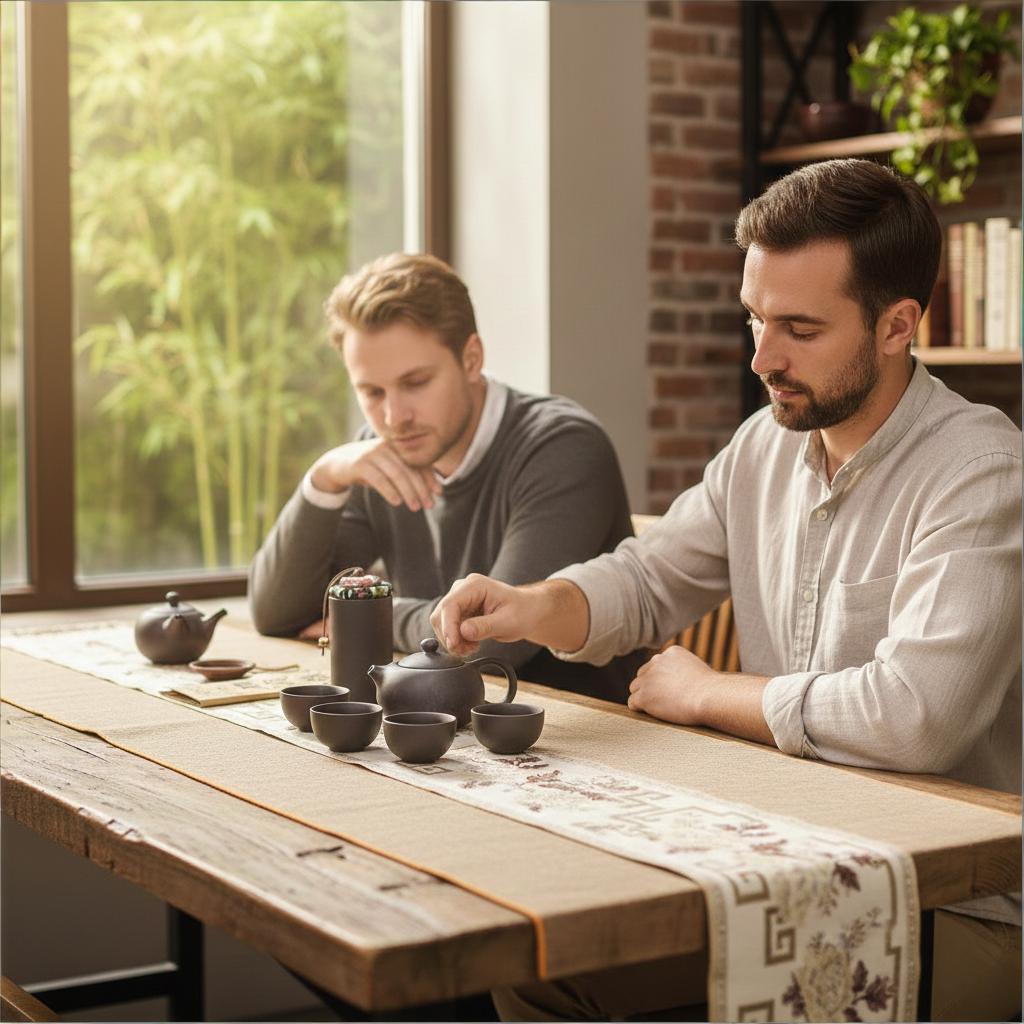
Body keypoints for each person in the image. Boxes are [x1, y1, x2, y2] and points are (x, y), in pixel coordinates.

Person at [431, 159, 1022, 1022]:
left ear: (898, 326)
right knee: (538, 951)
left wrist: (709, 692)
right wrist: (531, 604)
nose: (762, 357)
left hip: (953, 904)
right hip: (794, 860)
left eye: (799, 328)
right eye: (753, 318)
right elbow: (646, 577)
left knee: (572, 967)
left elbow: (917, 717)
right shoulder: (763, 448)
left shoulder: (980, 472)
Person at [249, 252, 644, 703]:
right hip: (443, 722)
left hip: (576, 730)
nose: (395, 417)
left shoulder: (563, 448)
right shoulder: (380, 455)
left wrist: (368, 616)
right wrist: (324, 478)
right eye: (372, 392)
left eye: (416, 382)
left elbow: (492, 641)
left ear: (471, 358)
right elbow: (278, 614)